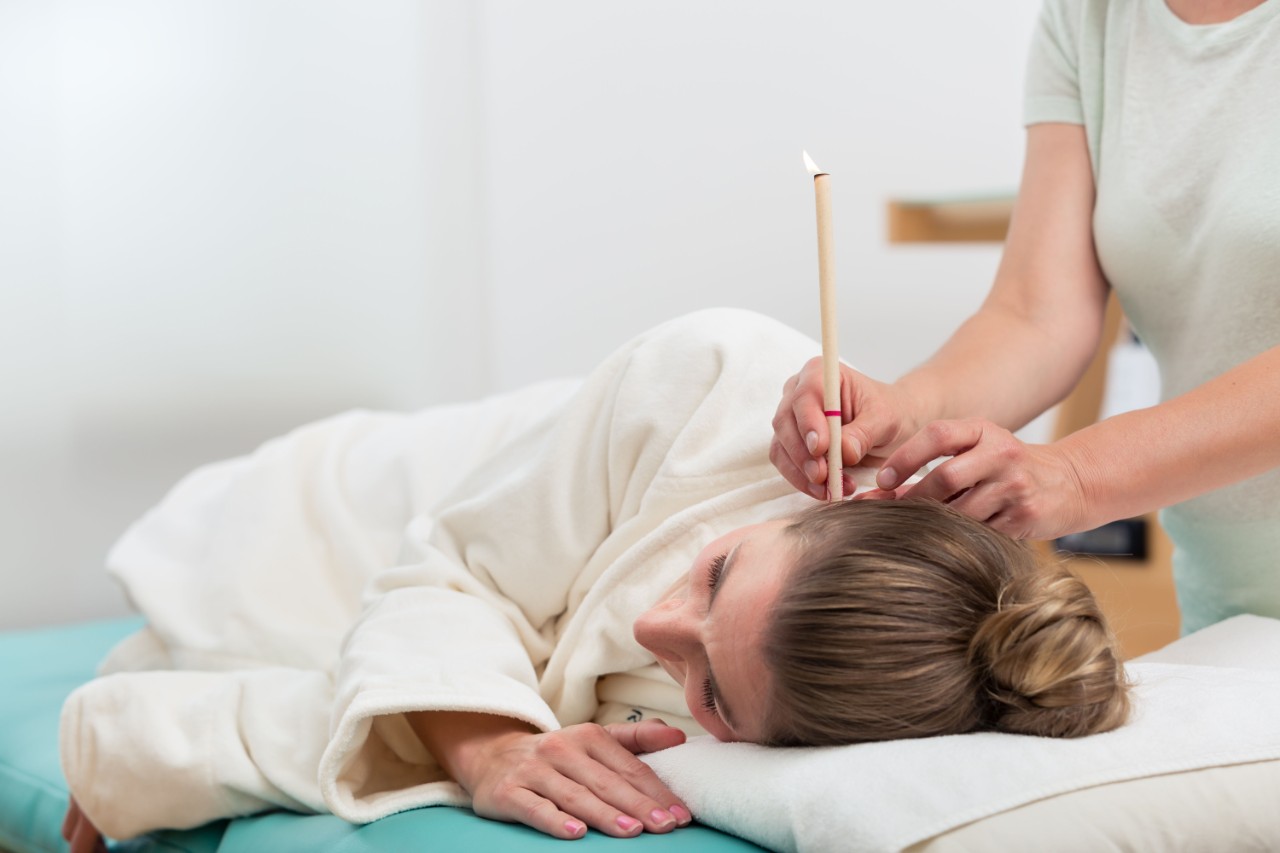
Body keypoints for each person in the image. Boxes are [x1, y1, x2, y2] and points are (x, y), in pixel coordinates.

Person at [61, 310, 1128, 853]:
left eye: (706, 687)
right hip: (333, 516)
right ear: (832, 512)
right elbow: (452, 568)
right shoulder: (712, 378)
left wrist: (150, 752)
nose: (650, 619)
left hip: (409, 614)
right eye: (714, 576)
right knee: (195, 613)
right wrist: (486, 747)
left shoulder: (828, 715)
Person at [772, 0, 1280, 636]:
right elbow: (1036, 312)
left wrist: (1077, 475)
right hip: (1234, 611)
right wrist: (904, 411)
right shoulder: (1090, 18)